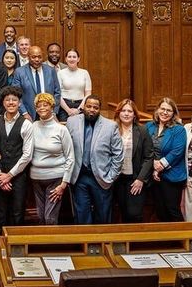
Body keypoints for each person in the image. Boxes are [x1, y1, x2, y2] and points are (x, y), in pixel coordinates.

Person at [67, 95, 123, 224]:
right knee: (82, 215)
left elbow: (118, 155)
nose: (92, 109)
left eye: (95, 107)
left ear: (99, 109)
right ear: (83, 107)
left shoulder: (110, 126)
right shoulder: (72, 122)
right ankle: (86, 243)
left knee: (103, 215)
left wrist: (110, 177)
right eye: (89, 106)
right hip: (79, 176)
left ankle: (102, 243)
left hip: (101, 177)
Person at [0, 86, 33, 231]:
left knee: (17, 214)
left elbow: (27, 155)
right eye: (7, 100)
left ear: (19, 103)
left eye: (14, 100)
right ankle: (0, 250)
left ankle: (16, 251)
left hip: (18, 176)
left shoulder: (26, 124)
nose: (11, 103)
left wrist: (9, 175)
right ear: (3, 103)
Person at [29, 93, 75, 225]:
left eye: (46, 105)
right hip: (36, 178)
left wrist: (64, 183)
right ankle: (41, 245)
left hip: (56, 179)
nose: (42, 108)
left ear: (52, 107)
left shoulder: (61, 129)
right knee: (39, 216)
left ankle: (51, 245)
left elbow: (70, 157)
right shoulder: (33, 127)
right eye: (39, 106)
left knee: (50, 218)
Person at [112, 99, 154, 223]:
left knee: (134, 213)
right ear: (118, 113)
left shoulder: (142, 131)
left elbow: (149, 157)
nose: (126, 114)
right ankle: (125, 241)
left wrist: (140, 179)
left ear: (134, 114)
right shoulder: (112, 129)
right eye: (123, 110)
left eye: (129, 111)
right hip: (117, 179)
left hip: (135, 178)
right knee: (121, 211)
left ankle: (136, 241)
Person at [147, 97, 187, 222]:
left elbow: (176, 152)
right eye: (162, 109)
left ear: (173, 113)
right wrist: (153, 164)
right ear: (157, 110)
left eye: (169, 110)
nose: (165, 112)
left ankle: (183, 239)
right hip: (154, 176)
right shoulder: (149, 126)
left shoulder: (179, 129)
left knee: (172, 209)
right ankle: (169, 240)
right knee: (160, 209)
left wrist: (159, 167)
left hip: (172, 176)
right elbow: (145, 148)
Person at [13, 45, 61, 121]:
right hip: (28, 115)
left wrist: (54, 112)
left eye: (39, 57)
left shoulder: (51, 71)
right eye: (34, 57)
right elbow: (16, 95)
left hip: (48, 114)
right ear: (28, 57)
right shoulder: (19, 72)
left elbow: (57, 92)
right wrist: (24, 113)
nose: (37, 59)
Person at [57, 49, 92, 122]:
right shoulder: (60, 73)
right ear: (66, 59)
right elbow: (58, 94)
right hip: (64, 107)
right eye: (69, 57)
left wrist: (79, 109)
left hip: (81, 105)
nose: (72, 59)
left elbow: (88, 93)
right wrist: (68, 110)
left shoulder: (84, 73)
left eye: (74, 57)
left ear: (78, 59)